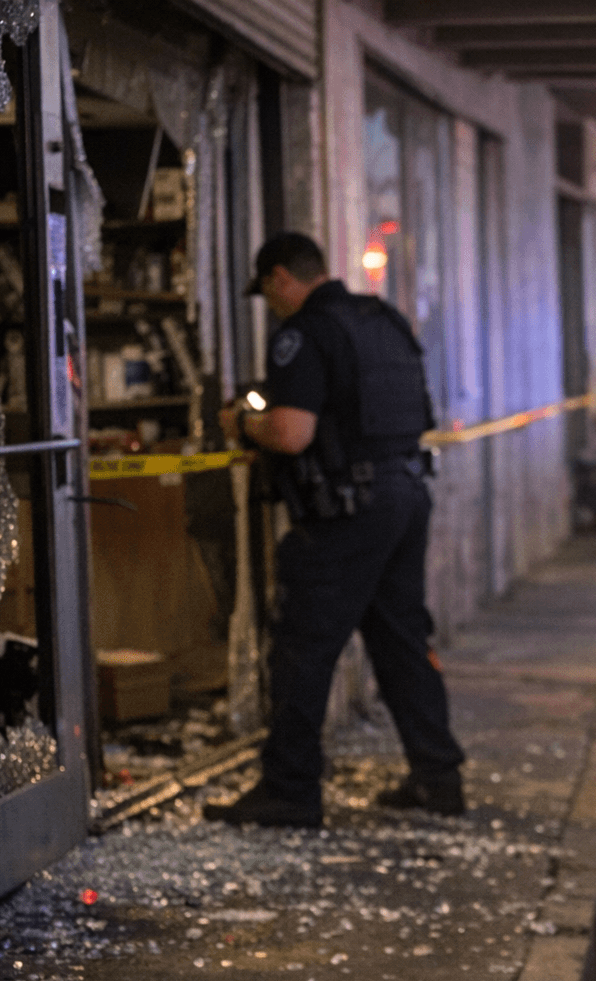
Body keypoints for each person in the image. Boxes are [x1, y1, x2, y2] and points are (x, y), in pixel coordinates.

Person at [207, 232, 465, 827]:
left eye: (269, 292)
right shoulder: (384, 320)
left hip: (347, 512)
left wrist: (245, 423)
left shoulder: (303, 335)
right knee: (402, 640)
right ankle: (439, 779)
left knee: (301, 644)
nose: (271, 305)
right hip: (405, 495)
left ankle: (290, 791)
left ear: (280, 278)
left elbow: (293, 434)